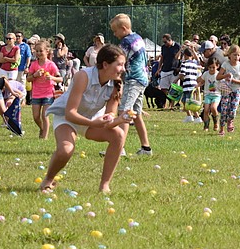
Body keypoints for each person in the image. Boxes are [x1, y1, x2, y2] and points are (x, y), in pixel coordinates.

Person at [41, 44, 129, 194]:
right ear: (106, 64)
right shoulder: (83, 76)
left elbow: (109, 119)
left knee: (118, 135)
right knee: (66, 150)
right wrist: (92, 123)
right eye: (120, 64)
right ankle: (48, 180)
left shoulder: (116, 84)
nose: (123, 69)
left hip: (91, 120)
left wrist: (121, 119)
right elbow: (70, 113)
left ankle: (104, 186)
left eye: (124, 65)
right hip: (67, 118)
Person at [110, 13, 153, 156]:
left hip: (133, 79)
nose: (115, 34)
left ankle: (118, 148)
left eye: (115, 31)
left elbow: (120, 61)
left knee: (124, 111)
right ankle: (146, 148)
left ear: (123, 28)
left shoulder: (126, 42)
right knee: (137, 114)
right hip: (142, 79)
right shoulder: (138, 38)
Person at [28, 39, 62, 140]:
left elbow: (60, 78)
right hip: (36, 94)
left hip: (48, 93)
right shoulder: (34, 64)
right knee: (36, 117)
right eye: (37, 51)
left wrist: (51, 78)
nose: (38, 53)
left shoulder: (51, 64)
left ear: (47, 51)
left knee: (44, 115)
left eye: (41, 51)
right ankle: (42, 128)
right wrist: (35, 75)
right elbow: (28, 78)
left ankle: (45, 138)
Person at [216, 45, 240, 135]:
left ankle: (230, 121)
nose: (236, 57)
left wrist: (233, 80)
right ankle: (221, 128)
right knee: (224, 109)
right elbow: (218, 77)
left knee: (233, 109)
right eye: (234, 55)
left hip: (236, 90)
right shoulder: (225, 64)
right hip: (226, 89)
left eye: (238, 55)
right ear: (229, 55)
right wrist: (226, 76)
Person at [177, 48, 202, 123]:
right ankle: (189, 116)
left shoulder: (184, 64)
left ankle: (197, 117)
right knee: (185, 101)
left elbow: (182, 75)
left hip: (187, 85)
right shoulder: (195, 64)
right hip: (193, 84)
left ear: (184, 55)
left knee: (189, 103)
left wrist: (180, 77)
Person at [198, 57, 221, 132]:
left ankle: (216, 122)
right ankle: (206, 125)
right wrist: (197, 85)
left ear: (217, 66)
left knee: (213, 108)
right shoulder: (206, 74)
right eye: (210, 67)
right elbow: (201, 81)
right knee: (206, 110)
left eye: (213, 67)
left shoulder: (218, 74)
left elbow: (223, 84)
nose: (211, 69)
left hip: (216, 95)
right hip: (207, 94)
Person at [157, 33, 181, 98]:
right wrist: (158, 69)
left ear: (170, 40)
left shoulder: (177, 46)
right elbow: (162, 58)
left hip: (174, 71)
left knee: (174, 89)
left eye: (165, 42)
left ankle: (172, 104)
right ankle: (167, 100)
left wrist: (179, 68)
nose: (164, 43)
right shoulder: (163, 47)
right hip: (164, 70)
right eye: (163, 42)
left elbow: (180, 58)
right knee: (163, 88)